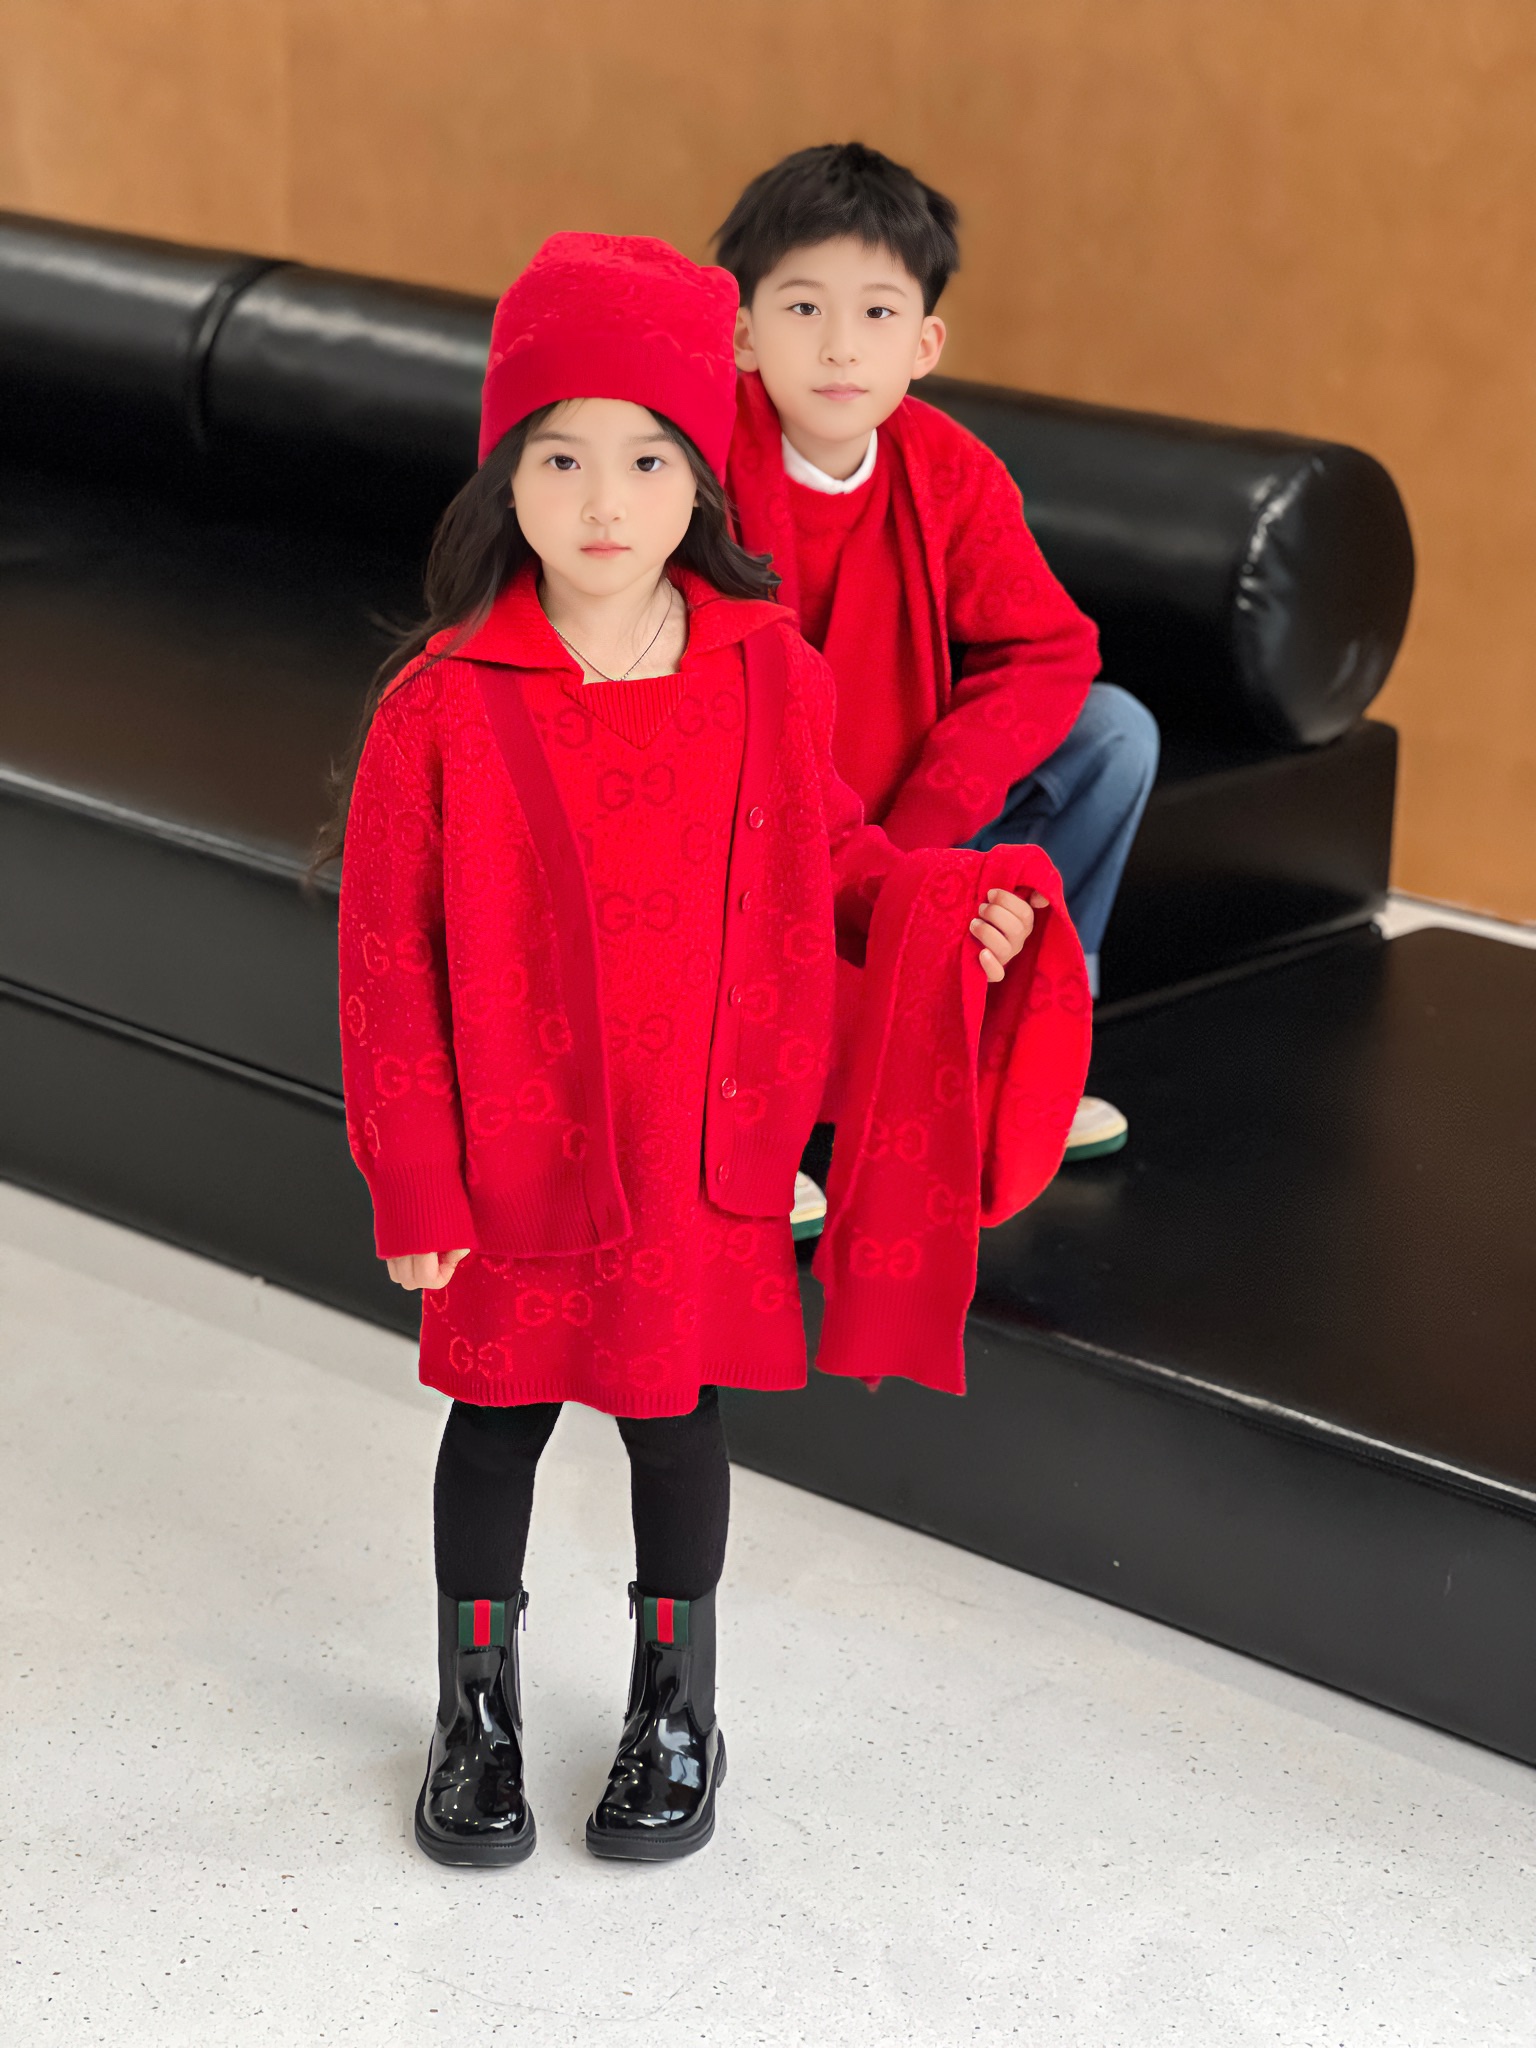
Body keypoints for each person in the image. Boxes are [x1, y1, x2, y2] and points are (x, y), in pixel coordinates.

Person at [323, 234, 1082, 1870]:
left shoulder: (765, 672)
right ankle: (474, 1710)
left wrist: (946, 906)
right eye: (561, 458)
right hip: (514, 1157)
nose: (605, 500)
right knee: (498, 1422)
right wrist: (416, 1179)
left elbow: (837, 851)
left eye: (650, 459)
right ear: (504, 476)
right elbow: (386, 965)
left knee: (678, 1426)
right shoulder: (439, 705)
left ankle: (678, 1706)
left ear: (700, 482)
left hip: (695, 1151)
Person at [717, 142, 1159, 1168]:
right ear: (742, 332)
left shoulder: (949, 468)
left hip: (905, 808)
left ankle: (1022, 1036)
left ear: (924, 343)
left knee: (1114, 732)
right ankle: (747, 1096)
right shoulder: (699, 464)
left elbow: (1051, 647)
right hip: (761, 815)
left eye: (876, 313)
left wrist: (923, 830)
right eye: (802, 307)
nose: (840, 348)